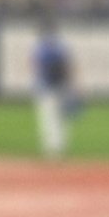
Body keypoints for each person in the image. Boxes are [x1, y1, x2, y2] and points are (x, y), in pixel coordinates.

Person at [32, 23, 74, 158]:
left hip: (46, 87)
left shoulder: (41, 47)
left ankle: (51, 149)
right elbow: (68, 67)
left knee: (48, 118)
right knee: (61, 119)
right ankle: (60, 146)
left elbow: (36, 66)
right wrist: (70, 85)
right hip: (61, 86)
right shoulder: (61, 46)